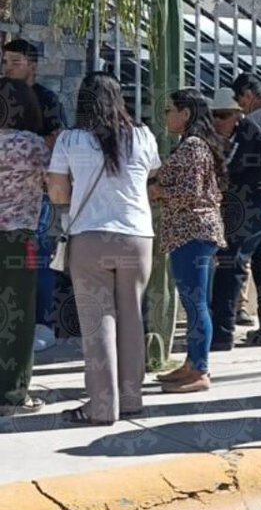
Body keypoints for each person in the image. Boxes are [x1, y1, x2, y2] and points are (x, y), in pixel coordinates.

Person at [47, 72, 160, 425]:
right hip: (138, 238)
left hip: (91, 238)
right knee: (131, 318)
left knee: (98, 325)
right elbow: (151, 177)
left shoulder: (71, 139)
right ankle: (131, 401)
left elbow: (59, 195)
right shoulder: (143, 136)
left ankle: (100, 406)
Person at [152, 89, 228, 394]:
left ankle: (200, 369)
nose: (166, 115)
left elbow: (190, 193)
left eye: (170, 109)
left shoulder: (194, 147)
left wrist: (157, 192)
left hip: (193, 233)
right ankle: (192, 362)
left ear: (186, 113)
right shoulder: (190, 144)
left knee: (196, 303)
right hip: (189, 233)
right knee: (193, 302)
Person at [210, 75, 261, 349]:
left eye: (239, 100)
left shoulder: (252, 123)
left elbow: (234, 164)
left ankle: (222, 334)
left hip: (249, 202)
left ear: (247, 94)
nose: (239, 107)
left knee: (230, 264)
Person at [3, 39, 69, 348]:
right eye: (5, 62)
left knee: (40, 259)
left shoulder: (46, 99)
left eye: (15, 61)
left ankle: (41, 323)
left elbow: (56, 140)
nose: (8, 67)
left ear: (33, 65)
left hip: (37, 194)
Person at [0, 78, 48, 415]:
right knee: (17, 316)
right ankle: (13, 394)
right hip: (19, 239)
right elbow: (58, 184)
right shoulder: (33, 146)